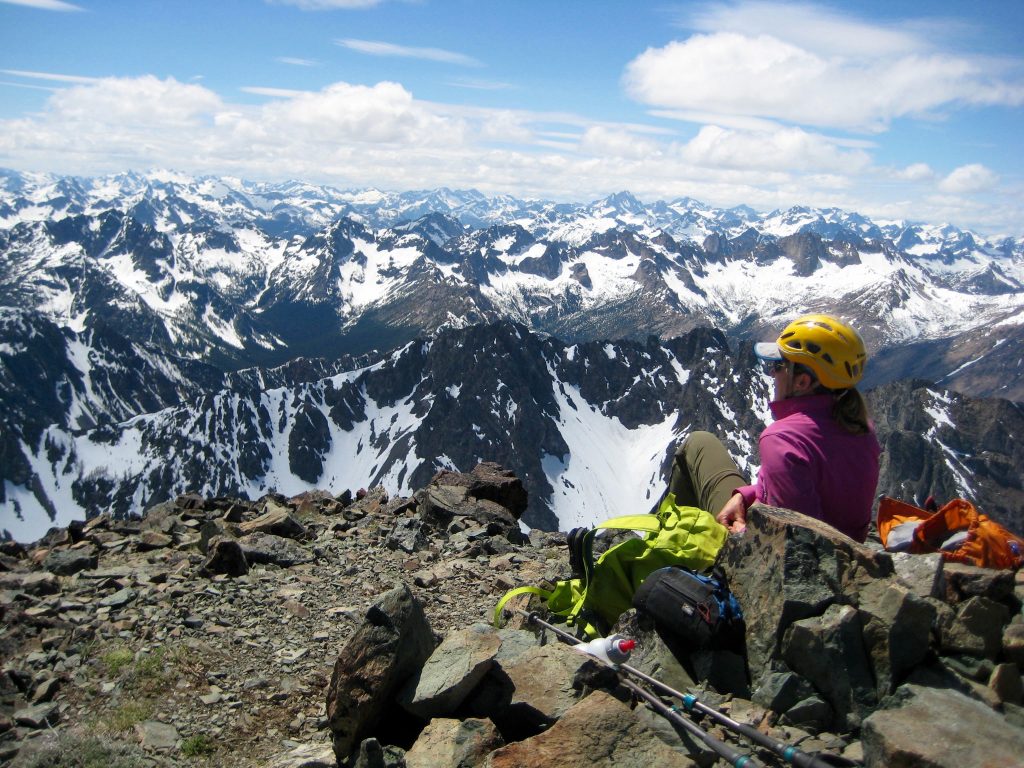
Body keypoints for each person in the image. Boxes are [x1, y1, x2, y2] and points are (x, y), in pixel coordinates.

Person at [664, 314, 881, 543]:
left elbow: (796, 541)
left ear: (802, 382)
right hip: (847, 551)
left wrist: (741, 537)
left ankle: (669, 546)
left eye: (779, 365)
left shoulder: (783, 440)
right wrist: (745, 496)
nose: (771, 373)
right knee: (700, 443)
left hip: (762, 553)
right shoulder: (860, 427)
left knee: (698, 444)